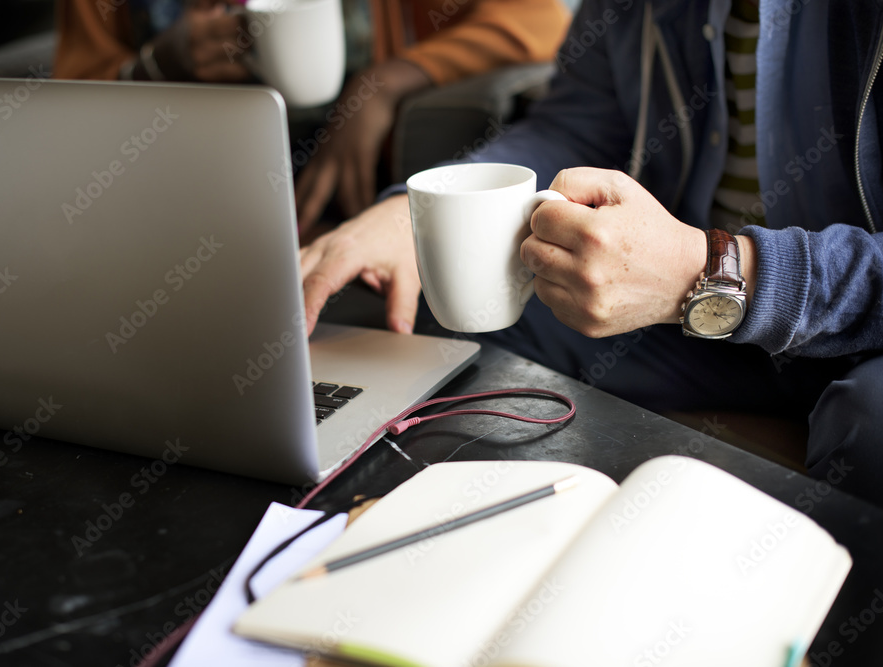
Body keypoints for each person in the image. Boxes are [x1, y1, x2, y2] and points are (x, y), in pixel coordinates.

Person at [299, 0, 883, 507]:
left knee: (869, 425)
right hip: (692, 327)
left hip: (857, 343)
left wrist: (705, 270)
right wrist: (427, 211)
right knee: (456, 307)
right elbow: (576, 127)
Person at [52, 0, 573, 229]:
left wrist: (383, 83)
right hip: (157, 216)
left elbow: (537, 19)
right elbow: (64, 116)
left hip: (326, 209)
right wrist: (159, 64)